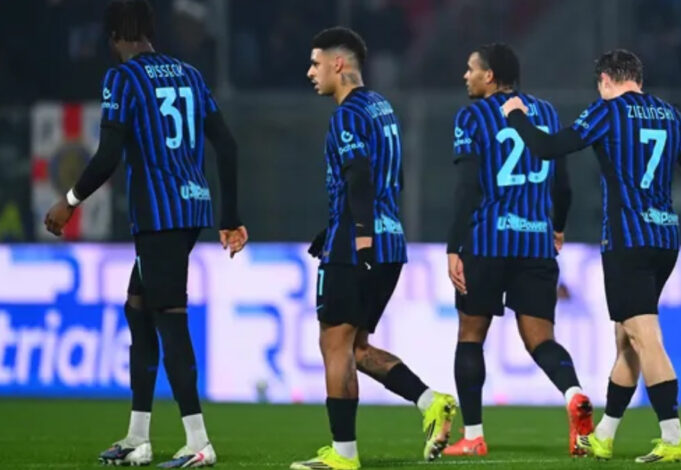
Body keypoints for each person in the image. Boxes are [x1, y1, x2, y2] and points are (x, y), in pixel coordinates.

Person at [502, 48, 681, 463]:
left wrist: (516, 116)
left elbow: (547, 148)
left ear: (605, 80)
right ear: (638, 77)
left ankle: (673, 436)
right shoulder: (672, 116)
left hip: (627, 242)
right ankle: (604, 434)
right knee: (627, 339)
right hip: (665, 240)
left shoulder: (607, 111)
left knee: (644, 337)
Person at [44, 1, 247, 467]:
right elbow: (227, 145)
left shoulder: (123, 78)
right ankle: (138, 438)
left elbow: (108, 154)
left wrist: (69, 201)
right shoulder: (190, 75)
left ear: (115, 35)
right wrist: (230, 216)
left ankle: (199, 441)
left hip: (159, 216)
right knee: (138, 309)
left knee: (169, 320)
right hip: (190, 207)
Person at [292, 27, 456, 470]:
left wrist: (359, 236)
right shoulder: (381, 107)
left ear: (338, 64)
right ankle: (430, 402)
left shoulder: (346, 115)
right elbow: (386, 178)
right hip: (390, 240)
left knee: (334, 345)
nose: (310, 72)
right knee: (357, 347)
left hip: (357, 246)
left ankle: (343, 455)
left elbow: (360, 175)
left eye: (316, 63)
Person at [444, 43, 593, 458]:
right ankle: (574, 394)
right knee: (541, 339)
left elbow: (467, 187)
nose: (466, 76)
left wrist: (454, 246)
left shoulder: (472, 116)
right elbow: (563, 184)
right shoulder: (546, 113)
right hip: (536, 243)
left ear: (489, 76)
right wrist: (557, 226)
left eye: (471, 69)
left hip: (487, 242)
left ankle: (473, 436)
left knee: (471, 336)